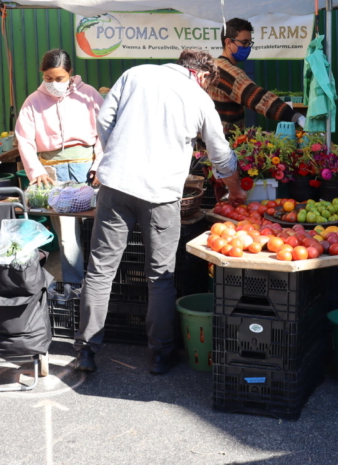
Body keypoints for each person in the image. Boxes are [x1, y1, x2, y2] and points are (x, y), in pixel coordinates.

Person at [72, 50, 247, 375]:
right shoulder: (198, 98)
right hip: (162, 195)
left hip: (116, 187)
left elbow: (104, 120)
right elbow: (220, 153)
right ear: (202, 75)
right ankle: (160, 354)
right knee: (160, 277)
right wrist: (236, 191)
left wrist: (118, 154)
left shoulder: (135, 75)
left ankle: (86, 351)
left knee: (100, 272)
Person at [15, 49, 104, 284]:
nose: (53, 83)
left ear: (70, 73)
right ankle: (75, 285)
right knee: (66, 233)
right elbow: (24, 139)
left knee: (97, 227)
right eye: (48, 78)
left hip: (87, 170)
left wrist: (100, 164)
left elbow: (106, 132)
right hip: (52, 174)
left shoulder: (89, 95)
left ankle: (98, 283)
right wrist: (36, 170)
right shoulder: (32, 101)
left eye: (59, 78)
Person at [207, 18, 306, 135]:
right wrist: (296, 117)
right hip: (218, 148)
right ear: (228, 42)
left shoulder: (215, 66)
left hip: (212, 143)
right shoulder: (226, 71)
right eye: (244, 42)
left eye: (249, 43)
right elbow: (258, 97)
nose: (248, 47)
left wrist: (254, 135)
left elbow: (223, 116)